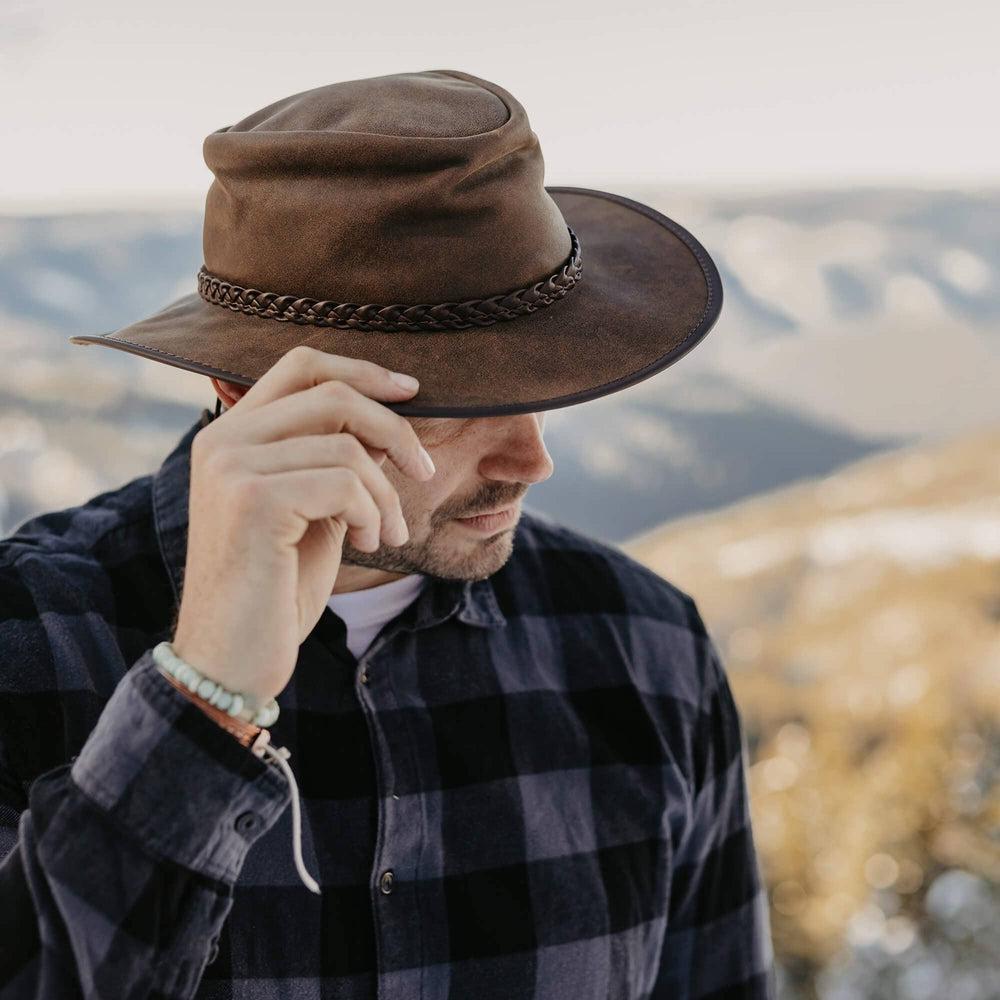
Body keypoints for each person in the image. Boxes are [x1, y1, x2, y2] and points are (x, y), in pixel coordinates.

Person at [0, 70, 774, 998]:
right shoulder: (27, 642)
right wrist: (203, 700)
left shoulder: (644, 648)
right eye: (459, 404)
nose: (532, 461)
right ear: (248, 396)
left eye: (542, 388)